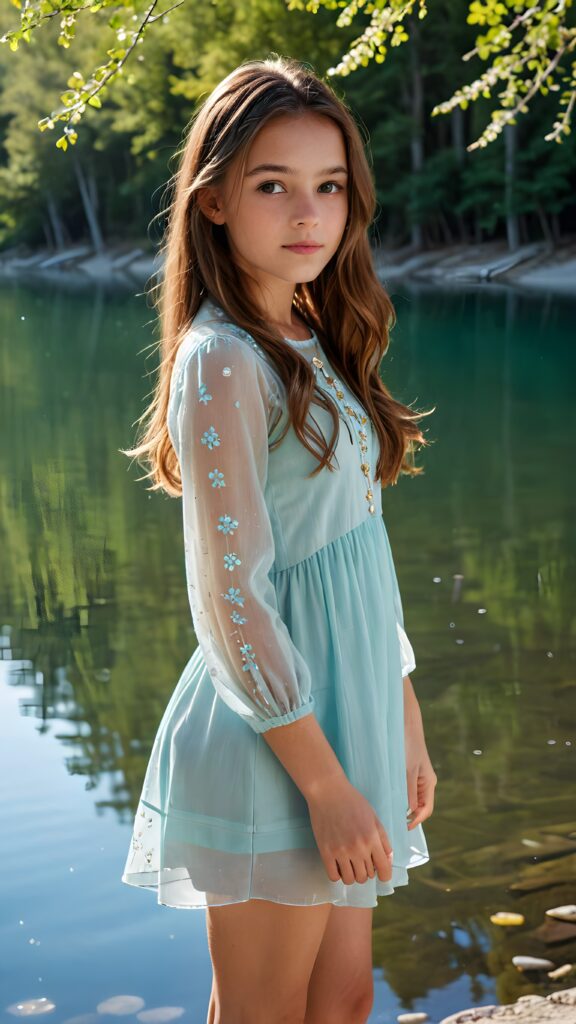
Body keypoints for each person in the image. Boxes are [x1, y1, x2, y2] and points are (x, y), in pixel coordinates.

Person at [120, 54, 437, 1024]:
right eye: (273, 186)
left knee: (341, 1002)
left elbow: (358, 548)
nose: (309, 213)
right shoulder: (222, 358)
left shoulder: (314, 328)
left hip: (351, 714)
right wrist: (326, 783)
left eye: (328, 186)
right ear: (214, 200)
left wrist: (402, 715)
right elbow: (232, 598)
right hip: (278, 741)